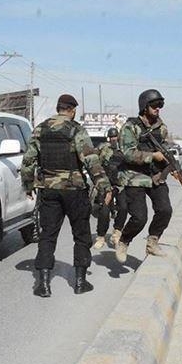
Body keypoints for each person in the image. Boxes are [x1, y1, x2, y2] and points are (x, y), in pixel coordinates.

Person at [21, 94, 111, 297]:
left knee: (47, 235)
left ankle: (43, 284)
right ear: (73, 110)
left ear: (58, 108)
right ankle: (80, 282)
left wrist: (28, 185)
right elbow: (91, 160)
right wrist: (104, 187)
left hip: (49, 190)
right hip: (74, 190)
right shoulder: (76, 129)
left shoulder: (41, 129)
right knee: (81, 235)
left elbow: (28, 160)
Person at [114, 89, 173, 263]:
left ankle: (152, 242)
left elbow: (164, 148)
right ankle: (124, 240)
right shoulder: (130, 127)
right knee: (139, 218)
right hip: (134, 176)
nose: (158, 108)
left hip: (155, 175)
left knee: (165, 210)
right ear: (144, 107)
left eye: (160, 105)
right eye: (154, 105)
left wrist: (169, 164)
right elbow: (127, 153)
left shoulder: (162, 128)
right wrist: (152, 156)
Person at [92, 127, 127, 249]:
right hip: (106, 184)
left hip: (120, 184)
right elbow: (93, 160)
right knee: (104, 211)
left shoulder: (124, 148)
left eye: (115, 136)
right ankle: (101, 236)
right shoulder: (103, 148)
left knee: (123, 208)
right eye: (111, 137)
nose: (113, 139)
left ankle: (117, 233)